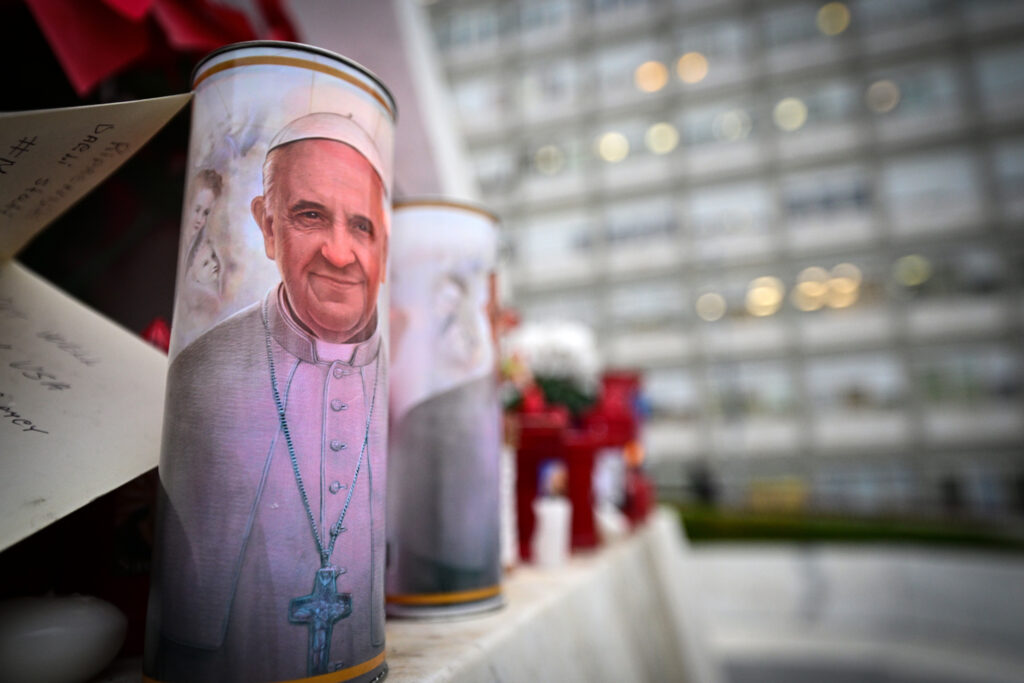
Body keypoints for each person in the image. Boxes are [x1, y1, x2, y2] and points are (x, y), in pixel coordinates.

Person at [146, 113, 389, 683]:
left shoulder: (401, 384)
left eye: (361, 226)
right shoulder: (201, 375)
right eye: (310, 216)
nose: (339, 253)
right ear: (268, 224)